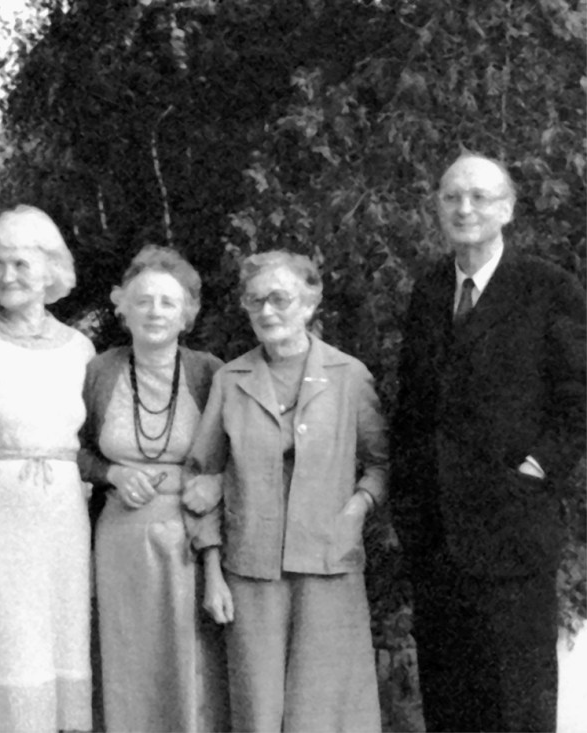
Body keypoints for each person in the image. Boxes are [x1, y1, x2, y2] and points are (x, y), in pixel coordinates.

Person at [393, 153, 586, 732]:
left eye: (479, 196)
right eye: (452, 196)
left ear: (507, 209)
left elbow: (579, 399)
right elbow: (412, 407)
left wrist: (535, 470)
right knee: (450, 702)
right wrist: (409, 504)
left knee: (516, 702)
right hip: (437, 538)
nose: (464, 208)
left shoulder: (547, 287)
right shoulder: (430, 289)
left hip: (512, 530)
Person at [184, 250, 387, 732]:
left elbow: (382, 462)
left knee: (327, 711)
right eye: (255, 301)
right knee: (257, 711)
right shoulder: (231, 379)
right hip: (251, 571)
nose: (267, 311)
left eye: (280, 298)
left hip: (329, 565)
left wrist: (359, 507)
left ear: (310, 304)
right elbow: (202, 475)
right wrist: (212, 569)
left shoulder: (348, 376)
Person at [0, 205, 95, 732]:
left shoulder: (80, 349)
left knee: (57, 636)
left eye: (21, 264)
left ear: (50, 271)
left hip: (61, 518)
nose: (7, 276)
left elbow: (91, 440)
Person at [79, 245, 227, 732]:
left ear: (187, 314)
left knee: (189, 662)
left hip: (189, 535)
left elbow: (237, 453)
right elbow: (74, 448)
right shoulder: (100, 371)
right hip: (119, 538)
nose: (155, 312)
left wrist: (216, 484)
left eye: (168, 302)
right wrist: (111, 474)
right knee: (124, 658)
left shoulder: (210, 373)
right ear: (123, 309)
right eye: (143, 301)